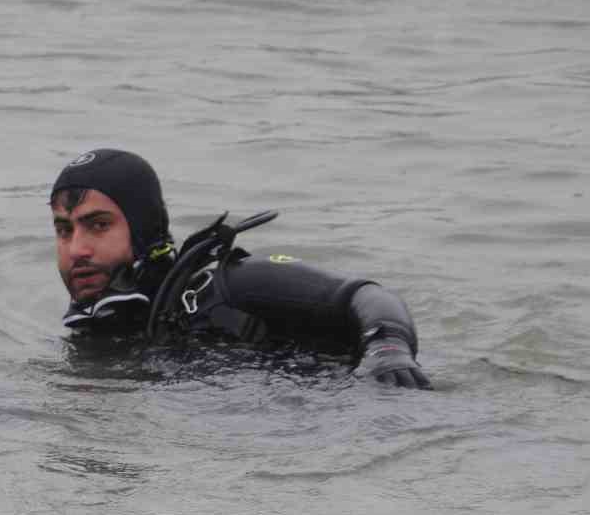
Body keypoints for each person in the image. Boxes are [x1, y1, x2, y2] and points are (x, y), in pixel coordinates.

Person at [48, 148, 431, 388]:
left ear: (144, 230)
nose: (76, 249)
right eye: (64, 230)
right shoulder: (98, 336)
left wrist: (389, 349)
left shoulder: (226, 286)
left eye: (98, 225)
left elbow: (365, 295)